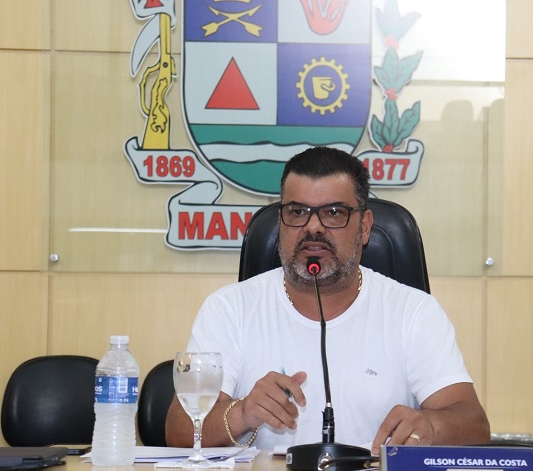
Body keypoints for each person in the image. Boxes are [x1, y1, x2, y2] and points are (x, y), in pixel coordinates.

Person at [165, 146, 490, 455]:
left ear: (364, 227)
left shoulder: (413, 312)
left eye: (333, 213)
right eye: (297, 212)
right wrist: (242, 412)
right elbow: (178, 430)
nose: (313, 227)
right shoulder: (229, 310)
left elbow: (474, 424)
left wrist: (430, 425)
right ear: (281, 222)